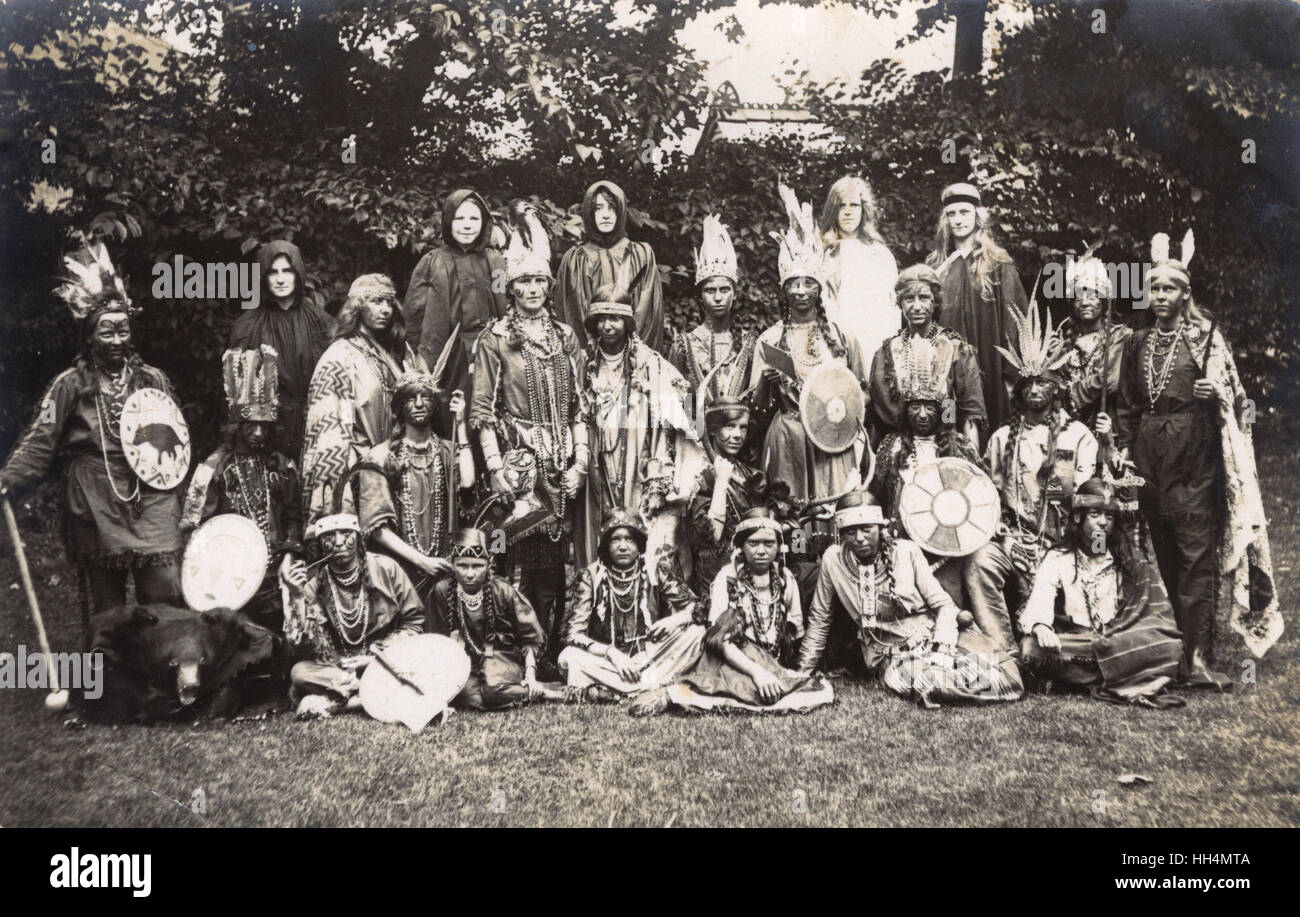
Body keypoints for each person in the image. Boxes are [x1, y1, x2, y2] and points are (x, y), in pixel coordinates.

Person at [1116, 230, 1281, 686]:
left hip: (1195, 455)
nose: (1160, 296)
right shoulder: (1137, 342)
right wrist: (1127, 453)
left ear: (1186, 294)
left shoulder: (1206, 338)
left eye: (1169, 288)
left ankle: (1201, 658)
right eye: (1154, 288)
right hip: (1151, 456)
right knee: (1165, 551)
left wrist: (1215, 396)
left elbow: (1242, 404)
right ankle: (1175, 650)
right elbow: (1127, 404)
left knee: (1196, 555)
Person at [0, 240, 183, 615]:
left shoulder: (153, 380)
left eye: (123, 331)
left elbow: (176, 438)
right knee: (108, 608)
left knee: (164, 591)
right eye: (107, 332)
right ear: (88, 336)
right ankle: (110, 670)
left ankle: (161, 667)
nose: (117, 341)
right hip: (96, 499)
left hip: (150, 494)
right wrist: (9, 478)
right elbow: (41, 438)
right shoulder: (67, 387)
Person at [471, 206, 588, 662]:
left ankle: (555, 646)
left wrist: (580, 462)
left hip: (562, 467)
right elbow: (481, 411)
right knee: (514, 553)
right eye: (524, 283)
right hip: (517, 463)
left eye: (540, 282)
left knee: (558, 560)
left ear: (548, 286)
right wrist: (495, 468)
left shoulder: (565, 337)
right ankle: (515, 649)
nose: (533, 290)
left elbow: (582, 406)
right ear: (511, 288)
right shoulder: (495, 337)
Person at [963, 296, 1098, 655]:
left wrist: (1059, 546)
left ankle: (1056, 647)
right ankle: (1003, 649)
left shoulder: (1078, 436)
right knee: (980, 563)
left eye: (1044, 383)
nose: (1036, 390)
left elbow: (1087, 501)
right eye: (1029, 384)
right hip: (1014, 539)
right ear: (1018, 391)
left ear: (1057, 388)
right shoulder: (1002, 438)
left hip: (1065, 544)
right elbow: (987, 499)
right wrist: (1005, 538)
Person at [800, 492, 1022, 707]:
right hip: (889, 655)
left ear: (880, 526)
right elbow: (820, 620)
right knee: (929, 682)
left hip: (934, 638)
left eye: (866, 529)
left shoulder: (906, 551)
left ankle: (959, 681)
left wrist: (942, 645)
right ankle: (951, 685)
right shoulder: (833, 560)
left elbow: (944, 606)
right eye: (850, 532)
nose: (859, 538)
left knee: (1007, 674)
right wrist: (803, 672)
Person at [752, 184, 870, 558]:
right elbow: (755, 408)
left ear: (819, 288)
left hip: (833, 439)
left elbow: (862, 392)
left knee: (836, 514)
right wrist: (766, 386)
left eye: (808, 283)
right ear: (783, 290)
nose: (801, 291)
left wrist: (841, 411)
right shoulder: (770, 339)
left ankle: (838, 579)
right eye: (793, 284)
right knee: (793, 518)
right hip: (787, 436)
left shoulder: (841, 335)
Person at [578, 267, 706, 574]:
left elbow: (689, 417)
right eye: (602, 318)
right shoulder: (583, 365)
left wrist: (661, 475)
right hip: (598, 469)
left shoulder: (651, 365)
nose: (608, 326)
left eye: (616, 318)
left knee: (643, 535)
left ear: (628, 322)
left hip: (638, 466)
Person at [1019, 480, 1185, 707]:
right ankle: (1121, 675)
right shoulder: (1059, 557)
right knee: (1031, 649)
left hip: (1120, 639)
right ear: (1078, 517)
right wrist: (1041, 625)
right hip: (1080, 641)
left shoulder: (1129, 558)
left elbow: (1153, 614)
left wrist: (1122, 638)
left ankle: (1082, 678)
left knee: (1169, 647)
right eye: (1095, 514)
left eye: (1109, 516)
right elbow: (1042, 595)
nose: (1102, 523)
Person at [181, 346, 304, 633]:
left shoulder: (283, 467)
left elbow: (292, 518)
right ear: (236, 426)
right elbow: (195, 533)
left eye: (264, 426)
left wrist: (288, 557)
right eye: (250, 426)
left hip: (278, 573)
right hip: (227, 576)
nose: (258, 433)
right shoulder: (212, 470)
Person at [670, 508, 833, 712]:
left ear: (779, 546)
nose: (761, 551)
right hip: (735, 658)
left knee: (806, 690)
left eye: (769, 543)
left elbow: (795, 632)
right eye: (753, 543)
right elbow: (721, 642)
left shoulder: (786, 578)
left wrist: (785, 669)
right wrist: (757, 673)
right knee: (739, 689)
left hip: (772, 659)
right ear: (741, 547)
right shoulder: (727, 578)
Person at [302, 274, 424, 523]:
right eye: (376, 302)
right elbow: (329, 436)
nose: (386, 310)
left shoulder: (399, 353)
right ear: (357, 307)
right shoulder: (339, 357)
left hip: (403, 468)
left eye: (389, 302)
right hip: (359, 475)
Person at [284, 510, 425, 718]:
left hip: (385, 659)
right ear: (320, 544)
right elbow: (305, 648)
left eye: (346, 534)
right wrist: (297, 596)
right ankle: (376, 691)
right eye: (330, 537)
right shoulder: (315, 586)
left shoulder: (387, 568)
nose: (339, 542)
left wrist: (373, 659)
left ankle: (340, 703)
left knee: (418, 657)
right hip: (342, 667)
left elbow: (415, 622)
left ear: (358, 538)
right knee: (299, 672)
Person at [559, 511, 707, 707]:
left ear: (639, 543)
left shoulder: (656, 570)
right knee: (567, 657)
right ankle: (655, 687)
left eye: (629, 539)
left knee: (696, 632)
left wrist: (675, 620)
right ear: (605, 545)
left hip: (652, 656)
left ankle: (612, 692)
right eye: (615, 540)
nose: (622, 546)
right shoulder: (591, 576)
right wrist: (612, 653)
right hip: (610, 663)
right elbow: (573, 635)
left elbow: (698, 607)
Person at [357, 371, 473, 603]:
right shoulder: (380, 457)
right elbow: (376, 528)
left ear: (435, 405)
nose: (419, 404)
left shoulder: (446, 451)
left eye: (426, 398)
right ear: (400, 407)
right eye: (411, 399)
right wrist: (422, 562)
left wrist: (460, 425)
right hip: (399, 576)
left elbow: (468, 483)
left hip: (442, 573)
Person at [402, 189, 508, 432]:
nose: (467, 226)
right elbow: (415, 313)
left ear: (484, 223)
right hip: (448, 355)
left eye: (474, 219)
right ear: (448, 221)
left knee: (489, 415)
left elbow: (503, 300)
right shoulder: (432, 261)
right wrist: (422, 356)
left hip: (489, 350)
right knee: (450, 416)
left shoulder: (495, 261)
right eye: (460, 219)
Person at [925, 182, 1029, 431]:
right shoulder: (937, 267)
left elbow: (1015, 320)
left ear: (977, 216)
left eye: (964, 212)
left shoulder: (998, 263)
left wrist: (1011, 375)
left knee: (991, 429)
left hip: (990, 369)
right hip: (947, 371)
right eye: (952, 214)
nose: (958, 220)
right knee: (950, 426)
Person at [426, 528, 567, 709]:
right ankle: (537, 693)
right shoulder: (441, 591)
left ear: (489, 564)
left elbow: (530, 636)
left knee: (493, 691)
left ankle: (541, 691)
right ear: (452, 564)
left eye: (477, 566)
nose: (470, 573)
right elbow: (434, 641)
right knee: (470, 698)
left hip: (500, 656)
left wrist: (530, 676)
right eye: (462, 565)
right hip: (461, 662)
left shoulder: (502, 590)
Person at [228, 240, 333, 460]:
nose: (281, 278)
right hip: (268, 431)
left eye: (287, 270)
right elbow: (237, 390)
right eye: (273, 272)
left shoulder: (320, 322)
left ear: (298, 274)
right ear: (263, 277)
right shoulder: (248, 325)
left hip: (314, 425)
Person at [868, 263, 985, 448]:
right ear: (900, 303)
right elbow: (878, 419)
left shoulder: (956, 349)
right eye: (908, 298)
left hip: (945, 445)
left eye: (923, 298)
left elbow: (970, 413)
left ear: (935, 301)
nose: (916, 306)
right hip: (898, 448)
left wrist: (970, 463)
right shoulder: (887, 352)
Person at [555, 180, 665, 353]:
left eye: (612, 208)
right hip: (589, 360)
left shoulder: (641, 255)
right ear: (589, 213)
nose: (605, 215)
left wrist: (633, 354)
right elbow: (573, 316)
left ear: (621, 211)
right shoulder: (575, 260)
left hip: (635, 358)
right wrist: (592, 357)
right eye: (598, 208)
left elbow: (648, 313)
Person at [668, 213, 756, 404]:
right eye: (710, 291)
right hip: (696, 429)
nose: (717, 297)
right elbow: (673, 401)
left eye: (724, 290)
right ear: (700, 296)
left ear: (734, 294)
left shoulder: (747, 344)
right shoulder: (684, 345)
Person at [819, 175, 900, 363]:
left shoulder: (880, 253)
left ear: (864, 209)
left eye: (854, 205)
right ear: (833, 210)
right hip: (836, 341)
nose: (847, 212)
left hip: (874, 338)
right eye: (841, 205)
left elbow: (892, 307)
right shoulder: (824, 254)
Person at [1059, 252, 1131, 430]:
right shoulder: (1065, 342)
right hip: (1070, 428)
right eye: (1078, 298)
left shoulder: (1119, 336)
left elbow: (1110, 380)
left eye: (1092, 296)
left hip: (1106, 424)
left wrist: (1073, 394)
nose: (1084, 302)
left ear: (1104, 302)